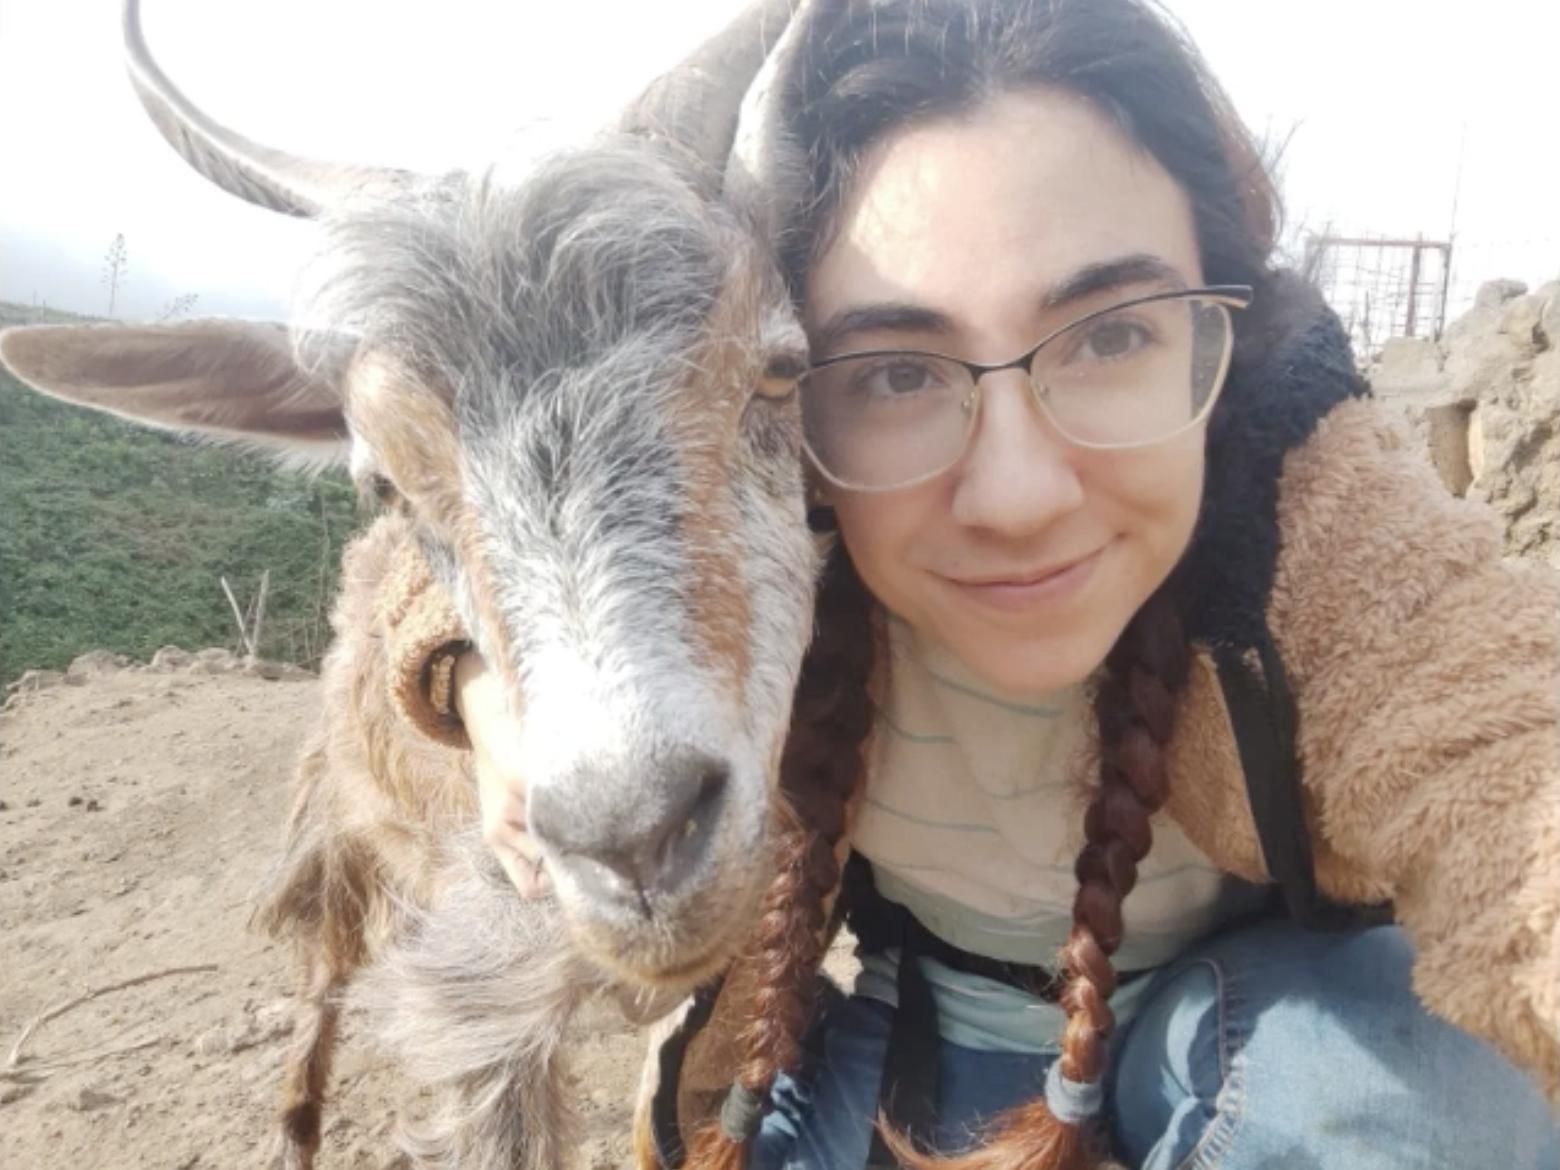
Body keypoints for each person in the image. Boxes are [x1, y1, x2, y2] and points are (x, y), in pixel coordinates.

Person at [385, 0, 1560, 1166]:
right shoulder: (778, 496)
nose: (1016, 497)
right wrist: (478, 663)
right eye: (896, 371)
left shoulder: (1306, 507)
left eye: (1112, 336)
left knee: (1432, 1097)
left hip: (1240, 1049)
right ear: (781, 387)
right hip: (908, 1047)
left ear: (1224, 313)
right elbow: (486, 487)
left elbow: (1508, 770)